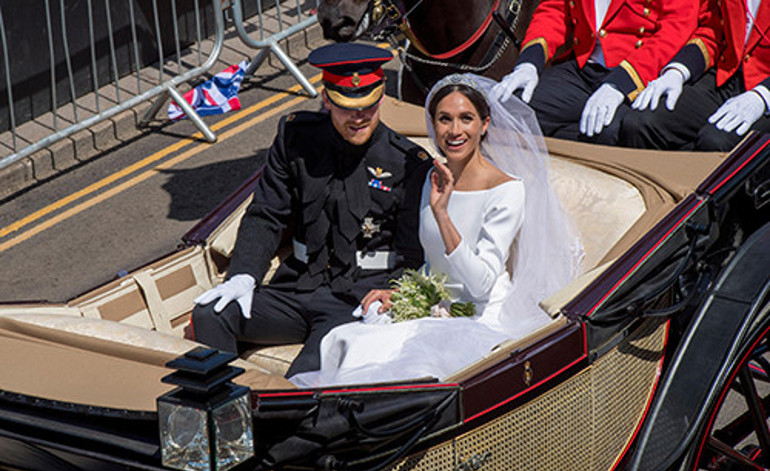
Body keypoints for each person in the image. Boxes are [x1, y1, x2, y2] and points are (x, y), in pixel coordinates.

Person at [290, 73, 583, 388]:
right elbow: (429, 262)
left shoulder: (507, 190)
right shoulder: (431, 174)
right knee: (347, 339)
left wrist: (442, 214)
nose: (455, 131)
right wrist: (404, 292)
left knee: (412, 365)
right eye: (445, 119)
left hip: (479, 316)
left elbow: (480, 283)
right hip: (432, 306)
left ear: (484, 125)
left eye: (466, 119)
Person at [191, 43, 432, 377]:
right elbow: (267, 213)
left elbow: (415, 252)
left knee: (303, 379)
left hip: (357, 299)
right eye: (348, 107)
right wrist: (243, 275)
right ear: (327, 98)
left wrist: (395, 291)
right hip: (296, 288)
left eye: (368, 106)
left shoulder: (408, 162)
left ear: (380, 96)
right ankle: (226, 415)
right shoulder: (296, 137)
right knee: (211, 314)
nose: (359, 117)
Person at [492, 0, 697, 145]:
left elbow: (674, 29)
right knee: (510, 113)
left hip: (638, 74)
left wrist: (620, 84)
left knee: (609, 134)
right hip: (583, 66)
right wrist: (528, 64)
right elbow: (556, 9)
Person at [620, 0, 770, 151]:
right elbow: (713, 29)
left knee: (716, 142)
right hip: (725, 74)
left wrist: (762, 95)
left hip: (764, 87)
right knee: (640, 122)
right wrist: (678, 71)